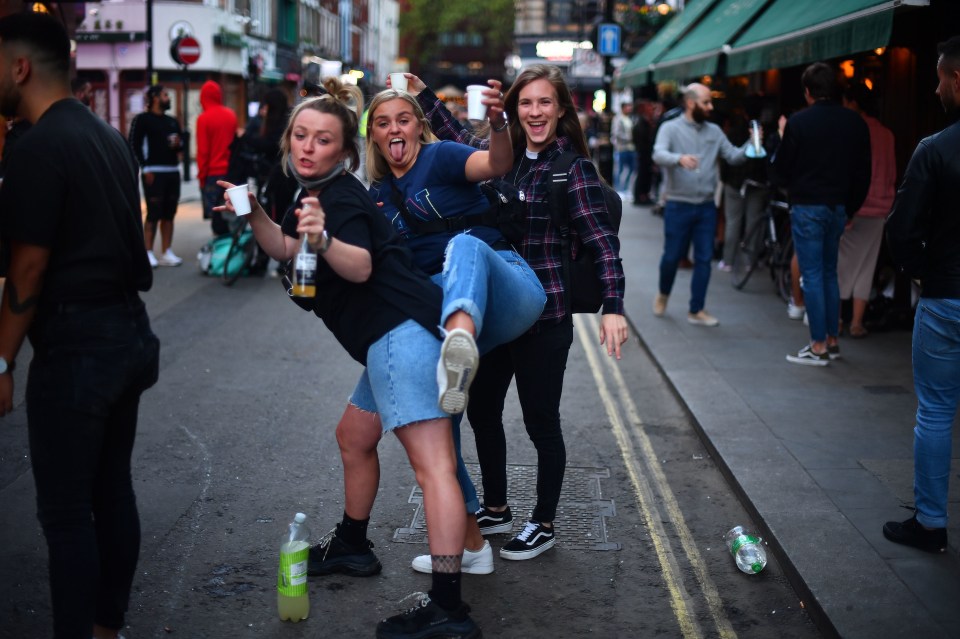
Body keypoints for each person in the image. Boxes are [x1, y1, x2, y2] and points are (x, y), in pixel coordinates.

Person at [216, 78, 483, 638]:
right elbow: (288, 249)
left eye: (324, 140)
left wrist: (322, 242)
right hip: (393, 333)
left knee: (433, 466)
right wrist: (256, 214)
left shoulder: (337, 196)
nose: (309, 147)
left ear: (343, 152)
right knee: (354, 435)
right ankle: (353, 546)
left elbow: (358, 265)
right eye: (302, 136)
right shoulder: (309, 196)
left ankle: (449, 610)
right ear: (290, 140)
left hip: (400, 332)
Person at [409, 64, 628, 561]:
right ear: (512, 109)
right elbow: (457, 136)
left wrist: (613, 307)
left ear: (560, 110)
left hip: (546, 318)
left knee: (540, 422)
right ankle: (498, 506)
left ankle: (545, 522)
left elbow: (601, 243)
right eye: (525, 103)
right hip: (501, 313)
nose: (534, 112)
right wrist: (424, 96)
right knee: (483, 411)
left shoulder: (571, 170)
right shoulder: (503, 159)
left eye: (544, 103)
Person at [341, 80, 546, 574]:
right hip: (431, 312)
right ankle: (471, 543)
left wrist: (498, 124)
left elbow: (495, 164)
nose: (394, 128)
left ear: (419, 126)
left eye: (403, 119)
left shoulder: (441, 157)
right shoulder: (375, 197)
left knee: (463, 248)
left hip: (507, 287)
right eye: (383, 122)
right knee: (432, 427)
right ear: (373, 137)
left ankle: (459, 333)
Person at [0, 13, 160, 639]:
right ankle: (105, 627)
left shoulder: (38, 145)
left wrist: (3, 361)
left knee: (67, 514)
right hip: (126, 335)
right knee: (111, 493)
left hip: (76, 349)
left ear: (20, 67)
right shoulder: (106, 135)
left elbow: (29, 269)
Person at [882, 35, 960, 554]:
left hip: (946, 296)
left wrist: (918, 273)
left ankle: (930, 523)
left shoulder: (935, 150)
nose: (935, 88)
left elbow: (901, 231)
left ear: (958, 78)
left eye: (940, 77)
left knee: (934, 411)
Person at [770, 62, 871, 365]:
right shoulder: (855, 123)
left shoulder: (799, 123)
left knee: (812, 275)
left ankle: (817, 346)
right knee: (829, 273)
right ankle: (831, 339)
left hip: (808, 206)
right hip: (838, 207)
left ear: (808, 92)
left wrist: (781, 135)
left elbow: (780, 170)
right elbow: (863, 173)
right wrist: (850, 207)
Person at [652, 82, 750, 327]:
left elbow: (734, 156)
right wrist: (678, 159)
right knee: (672, 256)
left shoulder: (714, 131)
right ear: (690, 103)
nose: (711, 106)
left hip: (706, 206)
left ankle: (696, 309)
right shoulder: (670, 128)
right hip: (678, 204)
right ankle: (663, 293)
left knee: (704, 259)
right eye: (706, 102)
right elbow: (657, 153)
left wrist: (754, 143)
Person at [838, 82, 896, 339]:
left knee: (843, 265)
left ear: (853, 103)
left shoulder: (852, 129)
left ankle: (837, 319)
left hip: (857, 206)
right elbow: (893, 173)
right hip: (882, 205)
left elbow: (848, 171)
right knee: (866, 266)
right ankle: (857, 322)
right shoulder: (886, 133)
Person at [128, 84, 184, 267]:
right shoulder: (142, 120)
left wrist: (178, 145)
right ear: (154, 98)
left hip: (172, 171)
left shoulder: (172, 121)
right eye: (165, 95)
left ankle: (167, 251)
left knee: (170, 213)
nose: (168, 98)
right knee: (153, 213)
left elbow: (180, 147)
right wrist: (145, 168)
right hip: (153, 171)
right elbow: (134, 145)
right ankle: (147, 252)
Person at [717, 110, 770, 272]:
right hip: (757, 184)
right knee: (753, 222)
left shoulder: (731, 134)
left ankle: (728, 261)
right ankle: (750, 261)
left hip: (734, 183)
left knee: (733, 222)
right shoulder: (765, 136)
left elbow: (726, 160)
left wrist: (725, 179)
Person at [197, 80, 238, 237]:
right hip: (232, 172)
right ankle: (233, 248)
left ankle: (219, 249)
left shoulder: (203, 119)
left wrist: (202, 178)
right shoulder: (231, 115)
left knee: (216, 216)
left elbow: (203, 152)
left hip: (213, 175)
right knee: (232, 212)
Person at [632, 99, 655, 205]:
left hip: (643, 153)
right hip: (643, 153)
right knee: (642, 175)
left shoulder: (641, 121)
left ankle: (642, 196)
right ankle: (640, 196)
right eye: (649, 108)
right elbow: (642, 139)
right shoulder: (641, 122)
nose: (651, 110)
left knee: (643, 175)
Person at [612, 101, 636, 195]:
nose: (629, 108)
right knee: (620, 170)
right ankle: (619, 190)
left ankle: (625, 189)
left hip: (631, 148)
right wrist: (630, 138)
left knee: (631, 169)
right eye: (627, 107)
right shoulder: (618, 119)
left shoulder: (630, 118)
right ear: (623, 108)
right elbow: (616, 133)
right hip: (622, 148)